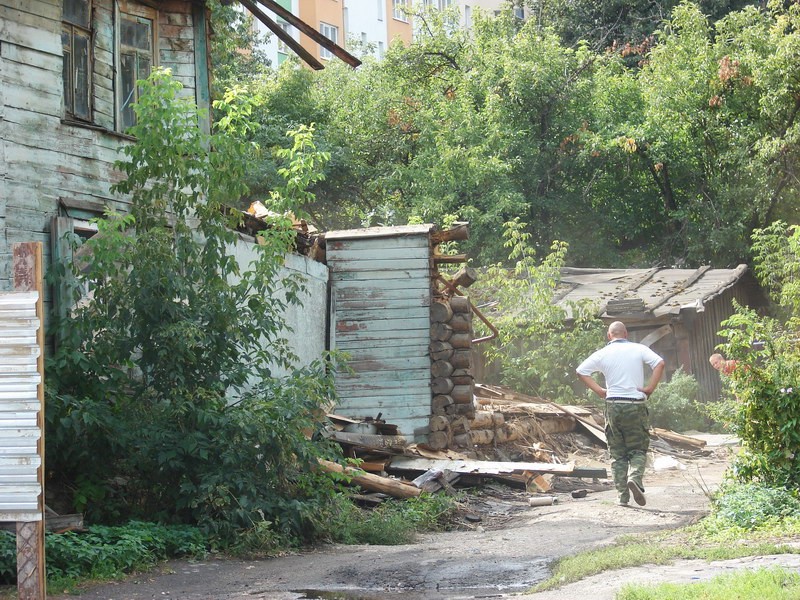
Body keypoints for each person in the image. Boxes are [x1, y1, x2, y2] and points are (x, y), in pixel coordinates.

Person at [576, 321, 666, 507]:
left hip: (613, 406)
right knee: (638, 449)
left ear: (609, 336)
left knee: (617, 454)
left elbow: (581, 371)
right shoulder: (639, 348)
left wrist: (600, 391)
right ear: (626, 334)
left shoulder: (602, 353)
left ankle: (622, 497)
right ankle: (635, 478)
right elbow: (660, 363)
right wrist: (650, 388)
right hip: (635, 405)